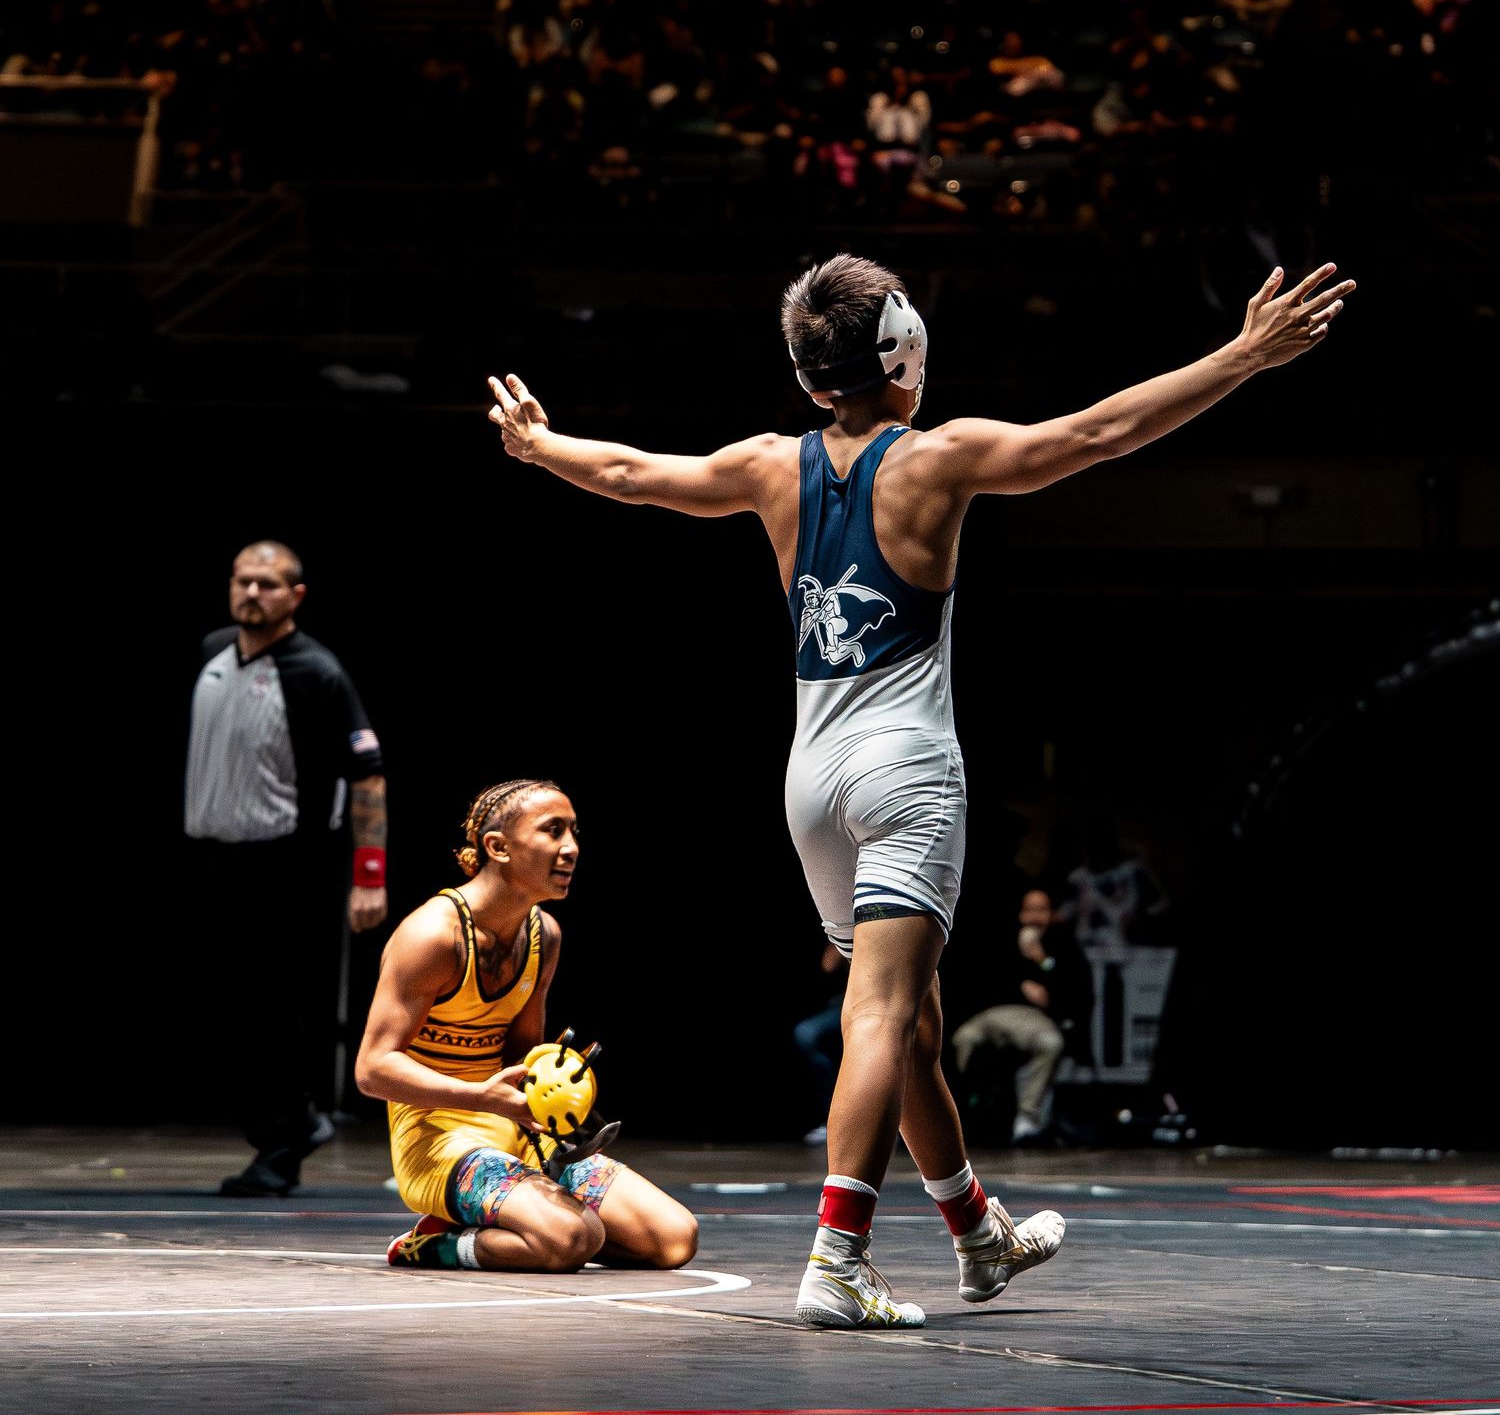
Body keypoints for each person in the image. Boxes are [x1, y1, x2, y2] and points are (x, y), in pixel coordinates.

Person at [486, 248, 1355, 1327]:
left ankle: (975, 1234)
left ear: (811, 380)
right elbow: (1095, 434)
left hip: (812, 783)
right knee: (882, 1017)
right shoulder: (940, 459)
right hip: (904, 772)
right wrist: (1243, 356)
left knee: (916, 1030)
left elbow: (626, 473)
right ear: (904, 352)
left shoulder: (768, 464)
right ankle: (838, 1261)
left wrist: (536, 444)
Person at [356, 779, 698, 1274]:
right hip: (438, 1139)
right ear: (498, 847)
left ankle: (531, 1225)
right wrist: (481, 1098)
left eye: (574, 832)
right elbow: (372, 1069)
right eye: (553, 831)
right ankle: (431, 1244)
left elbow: (521, 1053)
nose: (572, 848)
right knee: (572, 1238)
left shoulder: (544, 936)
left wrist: (555, 1094)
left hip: (514, 1130)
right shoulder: (432, 936)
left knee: (672, 1240)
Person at [185, 540, 389, 1197]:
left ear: (295, 595)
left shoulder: (316, 670)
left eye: (267, 584)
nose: (252, 593)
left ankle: (289, 1131)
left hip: (285, 862)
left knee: (274, 1011)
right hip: (216, 854)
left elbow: (367, 776)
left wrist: (370, 873)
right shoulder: (213, 650)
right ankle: (286, 1126)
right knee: (229, 1009)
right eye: (242, 580)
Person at [951, 887, 1092, 1146]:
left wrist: (1042, 961)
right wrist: (1019, 985)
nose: (1035, 917)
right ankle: (964, 1115)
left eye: (1042, 910)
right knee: (964, 1038)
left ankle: (1028, 1119)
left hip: (1033, 1019)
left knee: (1051, 1043)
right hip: (994, 1015)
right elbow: (983, 980)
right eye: (1030, 910)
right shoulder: (1003, 938)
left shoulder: (1061, 945)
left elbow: (1075, 991)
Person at [793, 941, 849, 1145]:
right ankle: (834, 1120)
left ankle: (888, 1123)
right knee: (807, 1033)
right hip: (845, 1003)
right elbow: (829, 965)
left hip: (881, 1003)